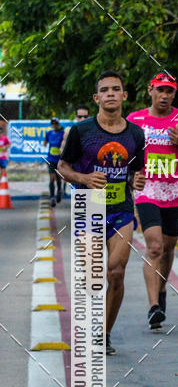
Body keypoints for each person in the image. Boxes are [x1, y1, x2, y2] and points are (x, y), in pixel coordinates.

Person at [57, 71, 145, 355]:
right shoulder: (82, 132)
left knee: (116, 273)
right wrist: (84, 179)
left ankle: (104, 334)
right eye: (104, 90)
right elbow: (62, 167)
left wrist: (137, 180)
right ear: (96, 97)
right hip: (89, 208)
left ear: (124, 95)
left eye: (115, 89)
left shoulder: (135, 134)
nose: (110, 93)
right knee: (92, 278)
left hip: (121, 209)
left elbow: (135, 171)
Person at [127, 72, 178, 328]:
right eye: (160, 90)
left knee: (169, 247)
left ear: (174, 94)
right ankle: (153, 307)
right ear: (150, 90)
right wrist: (131, 178)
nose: (164, 96)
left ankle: (161, 290)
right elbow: (123, 152)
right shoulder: (135, 119)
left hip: (175, 189)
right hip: (147, 190)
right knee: (154, 247)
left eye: (169, 91)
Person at [60, 105, 91, 196]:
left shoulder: (94, 131)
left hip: (93, 174)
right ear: (75, 117)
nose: (82, 119)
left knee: (96, 208)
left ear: (89, 117)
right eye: (79, 117)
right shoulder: (69, 132)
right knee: (81, 207)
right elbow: (63, 154)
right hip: (77, 174)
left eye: (85, 117)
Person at [43, 118, 65, 207]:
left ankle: (59, 191)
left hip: (59, 160)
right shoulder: (49, 133)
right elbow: (45, 142)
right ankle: (52, 197)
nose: (54, 125)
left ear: (58, 124)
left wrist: (62, 149)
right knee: (52, 179)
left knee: (58, 178)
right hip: (51, 159)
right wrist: (44, 143)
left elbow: (65, 143)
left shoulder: (62, 133)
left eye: (56, 123)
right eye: (53, 123)